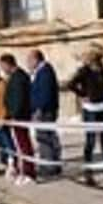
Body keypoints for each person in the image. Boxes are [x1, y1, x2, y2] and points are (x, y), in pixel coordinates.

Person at [67, 43, 103, 186]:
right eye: (96, 58)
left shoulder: (101, 70)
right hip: (90, 108)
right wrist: (83, 94)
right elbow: (71, 84)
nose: (98, 60)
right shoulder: (84, 71)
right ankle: (89, 172)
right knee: (91, 141)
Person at [0, 54, 37, 184]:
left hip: (19, 116)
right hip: (15, 116)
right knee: (21, 145)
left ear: (9, 64)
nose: (2, 69)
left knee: (25, 145)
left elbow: (19, 99)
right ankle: (24, 170)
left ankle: (29, 173)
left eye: (3, 66)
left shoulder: (19, 77)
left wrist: (13, 114)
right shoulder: (13, 77)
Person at [27, 49, 62, 178]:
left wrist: (39, 109)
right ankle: (52, 163)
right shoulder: (39, 72)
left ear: (36, 59)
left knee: (45, 138)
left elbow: (45, 93)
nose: (28, 63)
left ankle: (49, 166)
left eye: (29, 60)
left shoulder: (45, 72)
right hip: (43, 110)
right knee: (48, 137)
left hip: (44, 111)